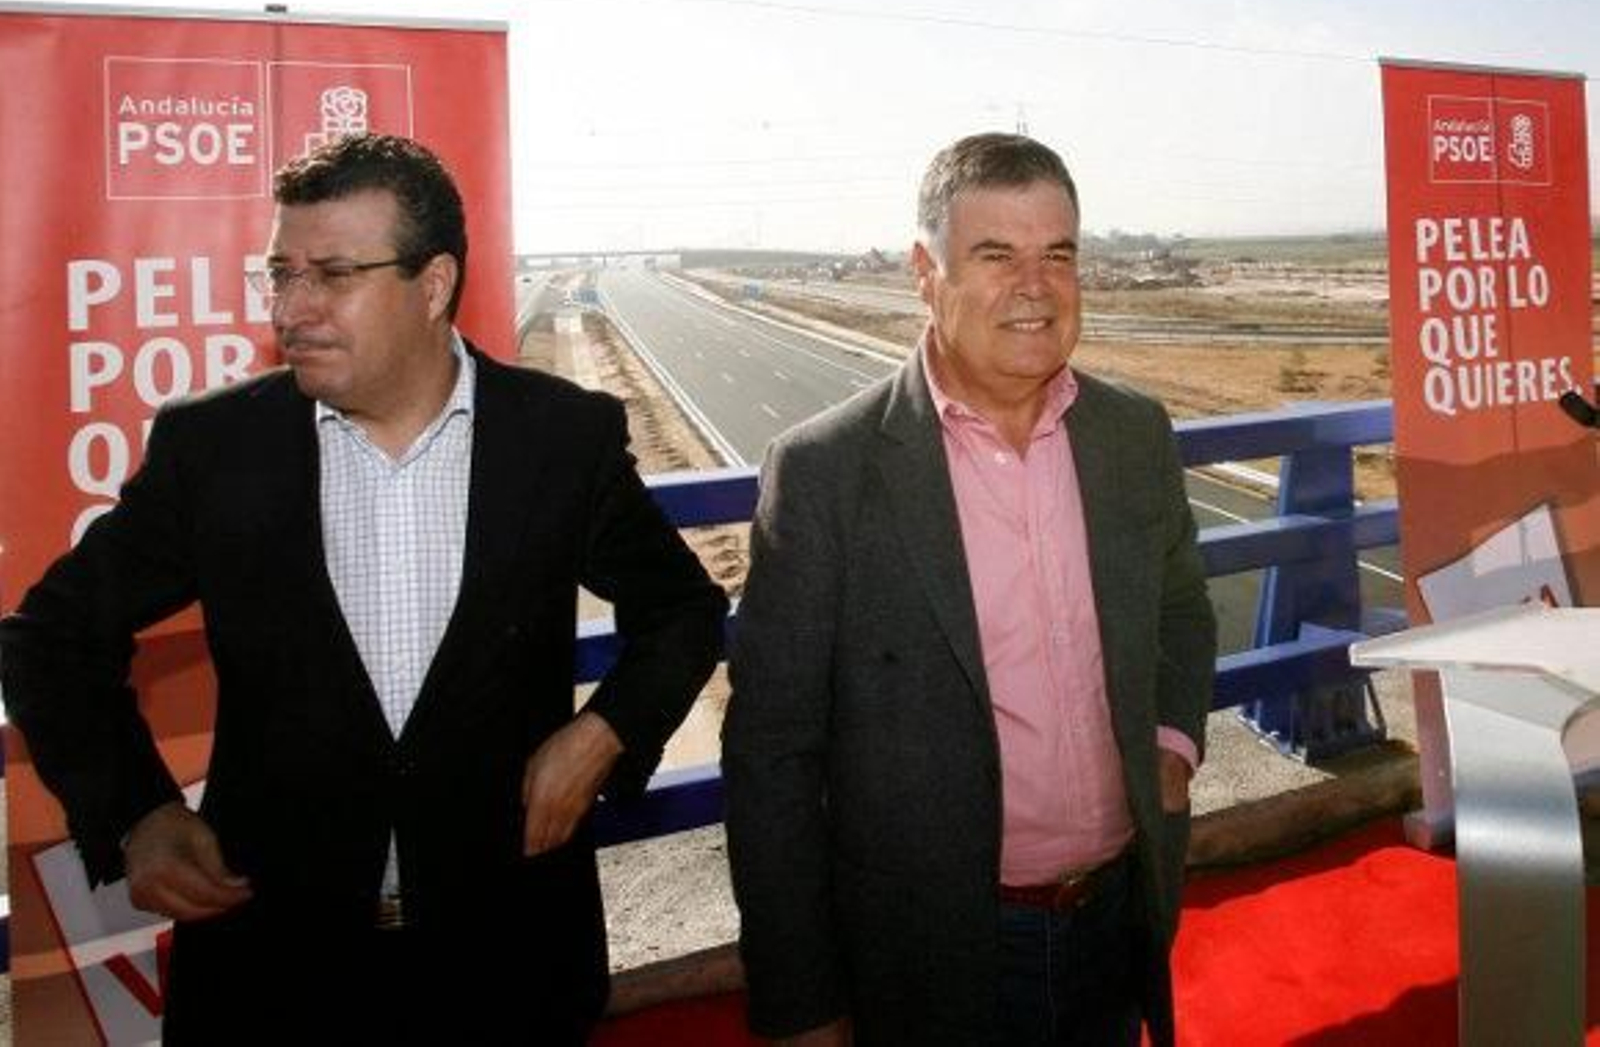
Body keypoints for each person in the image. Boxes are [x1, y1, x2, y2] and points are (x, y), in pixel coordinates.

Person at [1, 134, 727, 1044]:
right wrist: (136, 811)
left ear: (433, 284)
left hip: (505, 964)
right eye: (281, 274)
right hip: (274, 974)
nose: (290, 308)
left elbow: (682, 610)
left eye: (334, 275)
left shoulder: (560, 439)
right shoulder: (218, 450)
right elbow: (48, 636)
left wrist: (604, 730)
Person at [723, 132, 1217, 1046]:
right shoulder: (827, 472)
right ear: (925, 273)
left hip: (1118, 917)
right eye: (996, 255)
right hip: (936, 953)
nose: (1035, 287)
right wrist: (802, 1003)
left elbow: (1183, 608)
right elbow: (772, 757)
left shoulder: (1134, 435)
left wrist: (1171, 744)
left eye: (1058, 255)